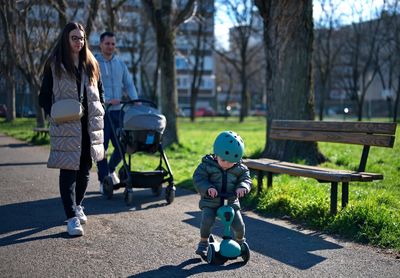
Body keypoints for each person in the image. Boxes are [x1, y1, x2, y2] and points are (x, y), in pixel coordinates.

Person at [39, 22, 105, 236]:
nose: (79, 42)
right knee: (68, 171)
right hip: (67, 126)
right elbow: (44, 96)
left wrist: (101, 109)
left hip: (89, 126)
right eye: (74, 37)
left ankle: (78, 205)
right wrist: (56, 115)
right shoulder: (55, 64)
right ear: (66, 39)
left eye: (82, 38)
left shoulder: (92, 63)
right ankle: (71, 218)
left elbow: (100, 92)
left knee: (85, 169)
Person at [192, 131, 252, 257]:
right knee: (207, 221)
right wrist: (208, 188)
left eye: (231, 162)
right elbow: (199, 178)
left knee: (239, 225)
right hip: (211, 201)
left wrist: (243, 187)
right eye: (223, 160)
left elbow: (246, 179)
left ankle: (240, 242)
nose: (227, 164)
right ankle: (203, 242)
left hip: (231, 202)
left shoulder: (240, 168)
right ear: (216, 154)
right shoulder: (207, 165)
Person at [95, 31, 138, 194]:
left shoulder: (120, 63)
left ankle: (111, 170)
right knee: (102, 147)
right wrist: (103, 101)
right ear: (101, 44)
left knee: (122, 144)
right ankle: (103, 180)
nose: (111, 46)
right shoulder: (94, 63)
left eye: (113, 44)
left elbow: (129, 83)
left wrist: (135, 101)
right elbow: (89, 87)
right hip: (100, 112)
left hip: (117, 112)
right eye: (107, 43)